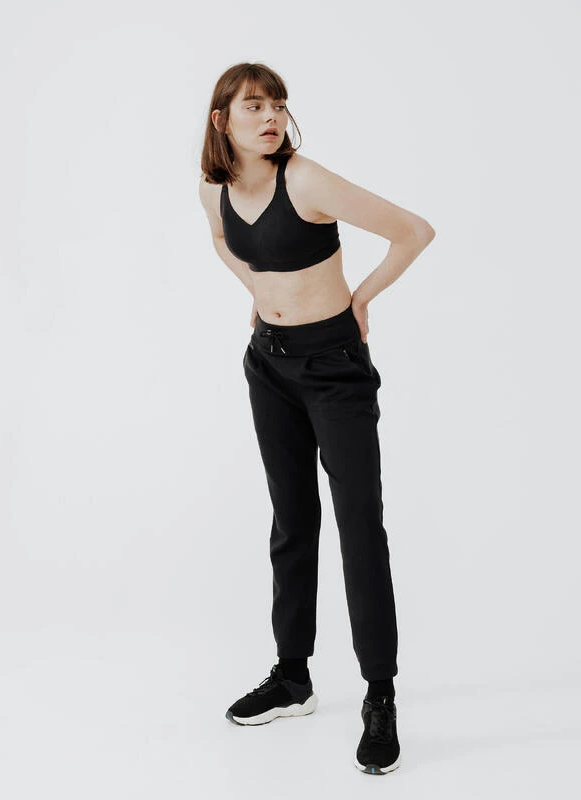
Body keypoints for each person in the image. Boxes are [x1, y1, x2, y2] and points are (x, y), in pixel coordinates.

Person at [198, 62, 434, 775]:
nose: (271, 117)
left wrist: (359, 300)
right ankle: (293, 676)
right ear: (222, 121)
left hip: (333, 367)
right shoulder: (214, 187)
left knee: (360, 527)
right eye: (254, 106)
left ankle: (380, 696)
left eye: (277, 105)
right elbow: (221, 239)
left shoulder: (305, 180)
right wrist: (259, 291)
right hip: (267, 366)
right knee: (293, 520)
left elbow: (413, 231)